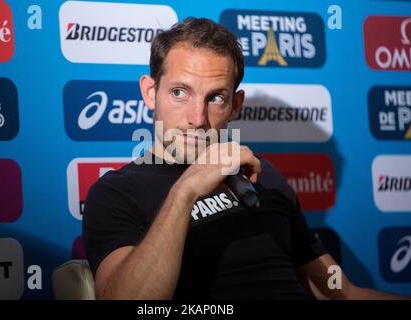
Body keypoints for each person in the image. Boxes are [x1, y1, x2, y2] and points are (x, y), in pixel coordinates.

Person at [82, 17, 408, 300]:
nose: (197, 117)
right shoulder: (114, 193)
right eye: (179, 92)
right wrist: (185, 192)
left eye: (216, 98)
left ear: (235, 106)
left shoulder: (263, 177)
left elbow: (338, 290)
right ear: (150, 93)